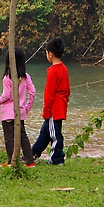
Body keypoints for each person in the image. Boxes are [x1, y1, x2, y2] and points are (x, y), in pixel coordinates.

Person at [0, 47, 36, 167]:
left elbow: (6, 96)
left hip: (8, 113)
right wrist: (27, 107)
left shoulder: (7, 78)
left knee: (9, 137)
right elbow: (33, 92)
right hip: (20, 112)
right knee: (22, 136)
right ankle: (30, 161)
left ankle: (11, 161)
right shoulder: (26, 77)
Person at [31, 37, 70, 165]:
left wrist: (46, 110)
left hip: (54, 108)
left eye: (46, 52)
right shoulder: (64, 69)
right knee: (45, 132)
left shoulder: (52, 72)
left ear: (50, 54)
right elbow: (67, 90)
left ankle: (57, 159)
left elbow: (49, 94)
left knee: (55, 135)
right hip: (61, 105)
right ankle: (32, 154)